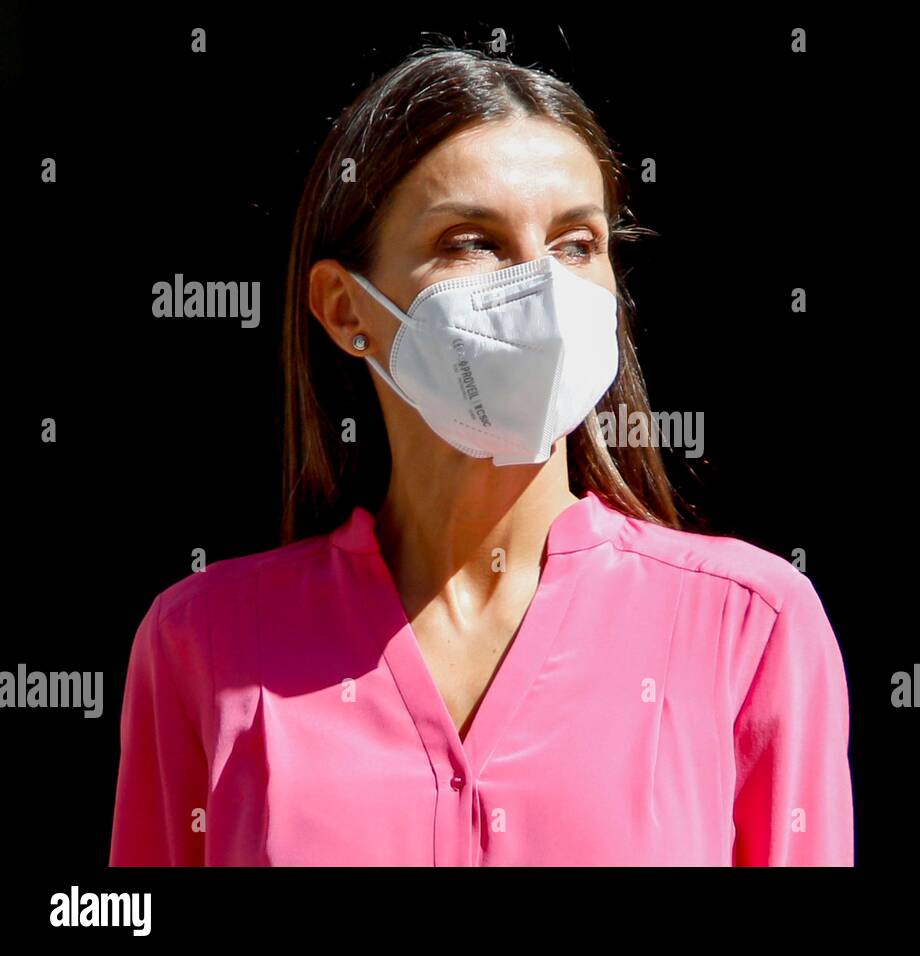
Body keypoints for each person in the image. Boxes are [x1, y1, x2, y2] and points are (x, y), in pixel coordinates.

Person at [109, 45, 853, 866]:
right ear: (345, 307)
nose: (541, 286)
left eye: (576, 243)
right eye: (473, 242)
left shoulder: (750, 627)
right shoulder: (200, 644)